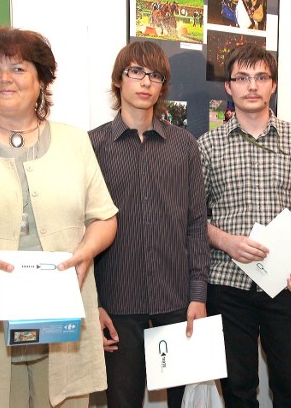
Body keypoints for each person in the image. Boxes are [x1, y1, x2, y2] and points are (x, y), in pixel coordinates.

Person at [0, 26, 118, 407]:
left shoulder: (74, 141)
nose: (5, 78)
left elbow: (105, 219)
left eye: (18, 68)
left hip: (61, 328)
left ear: (41, 81)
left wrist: (85, 253)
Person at [198, 43, 291, 407]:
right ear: (228, 87)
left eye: (261, 77)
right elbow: (193, 220)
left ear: (273, 85)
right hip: (226, 285)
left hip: (287, 285)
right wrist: (225, 241)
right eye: (242, 78)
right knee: (237, 390)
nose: (252, 86)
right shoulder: (207, 145)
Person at [89, 40, 209, 408]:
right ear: (118, 80)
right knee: (121, 402)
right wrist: (92, 302)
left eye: (155, 75)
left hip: (176, 301)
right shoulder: (92, 146)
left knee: (182, 402)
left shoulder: (184, 145)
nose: (145, 82)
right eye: (135, 72)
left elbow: (196, 224)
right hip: (117, 302)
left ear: (163, 86)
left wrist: (198, 296)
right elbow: (82, 230)